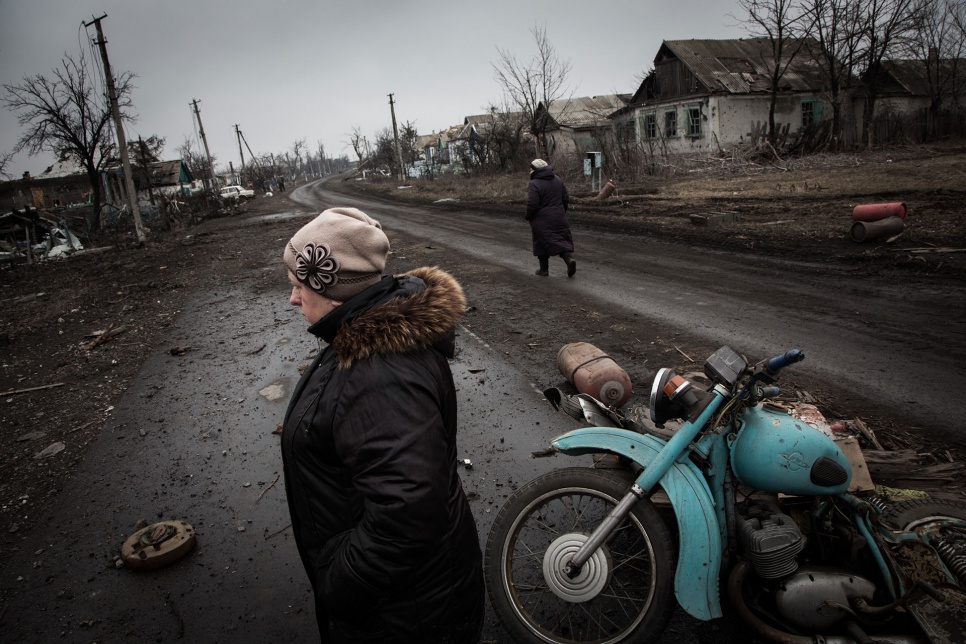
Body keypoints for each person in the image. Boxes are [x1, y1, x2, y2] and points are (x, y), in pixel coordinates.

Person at [280, 207, 485, 643]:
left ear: (330, 285)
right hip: (416, 598)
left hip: (406, 615)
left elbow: (408, 515)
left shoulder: (379, 372)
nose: (292, 298)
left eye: (298, 285)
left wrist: (341, 584)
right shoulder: (359, 335)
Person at [526, 158, 576, 277]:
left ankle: (544, 270)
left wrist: (529, 216)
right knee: (561, 238)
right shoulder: (558, 179)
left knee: (541, 241)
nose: (529, 172)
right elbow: (565, 198)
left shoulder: (534, 184)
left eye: (530, 170)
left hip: (541, 218)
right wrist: (561, 211)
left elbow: (533, 203)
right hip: (559, 215)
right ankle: (569, 259)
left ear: (535, 170)